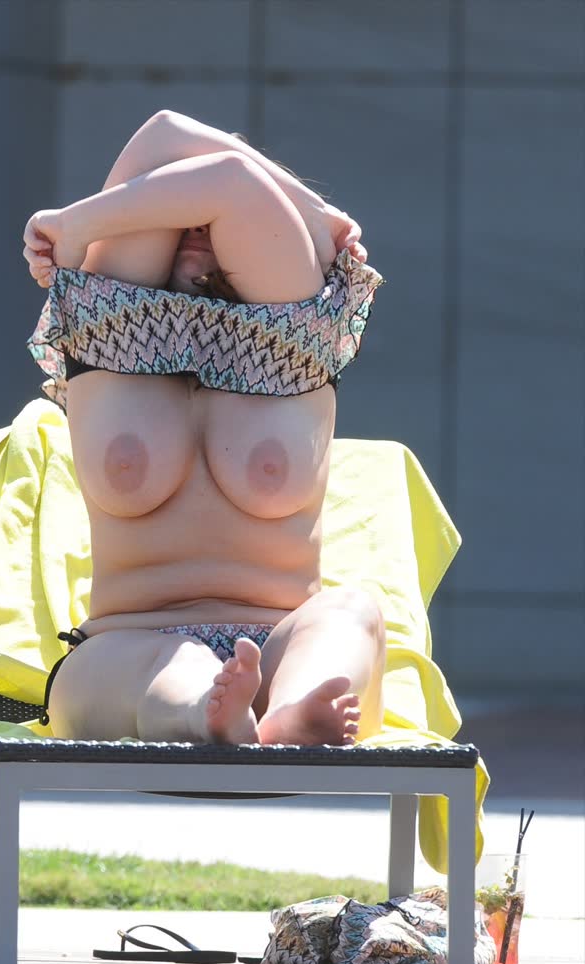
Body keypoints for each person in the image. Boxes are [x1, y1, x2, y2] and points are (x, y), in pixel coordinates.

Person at [21, 109, 386, 748]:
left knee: (348, 613)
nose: (196, 219)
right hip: (129, 643)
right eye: (173, 203)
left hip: (281, 642)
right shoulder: (106, 330)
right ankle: (210, 714)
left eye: (203, 214)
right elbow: (164, 133)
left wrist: (72, 224)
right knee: (158, 668)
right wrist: (310, 206)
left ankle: (291, 714)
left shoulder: (296, 343)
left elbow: (230, 185)